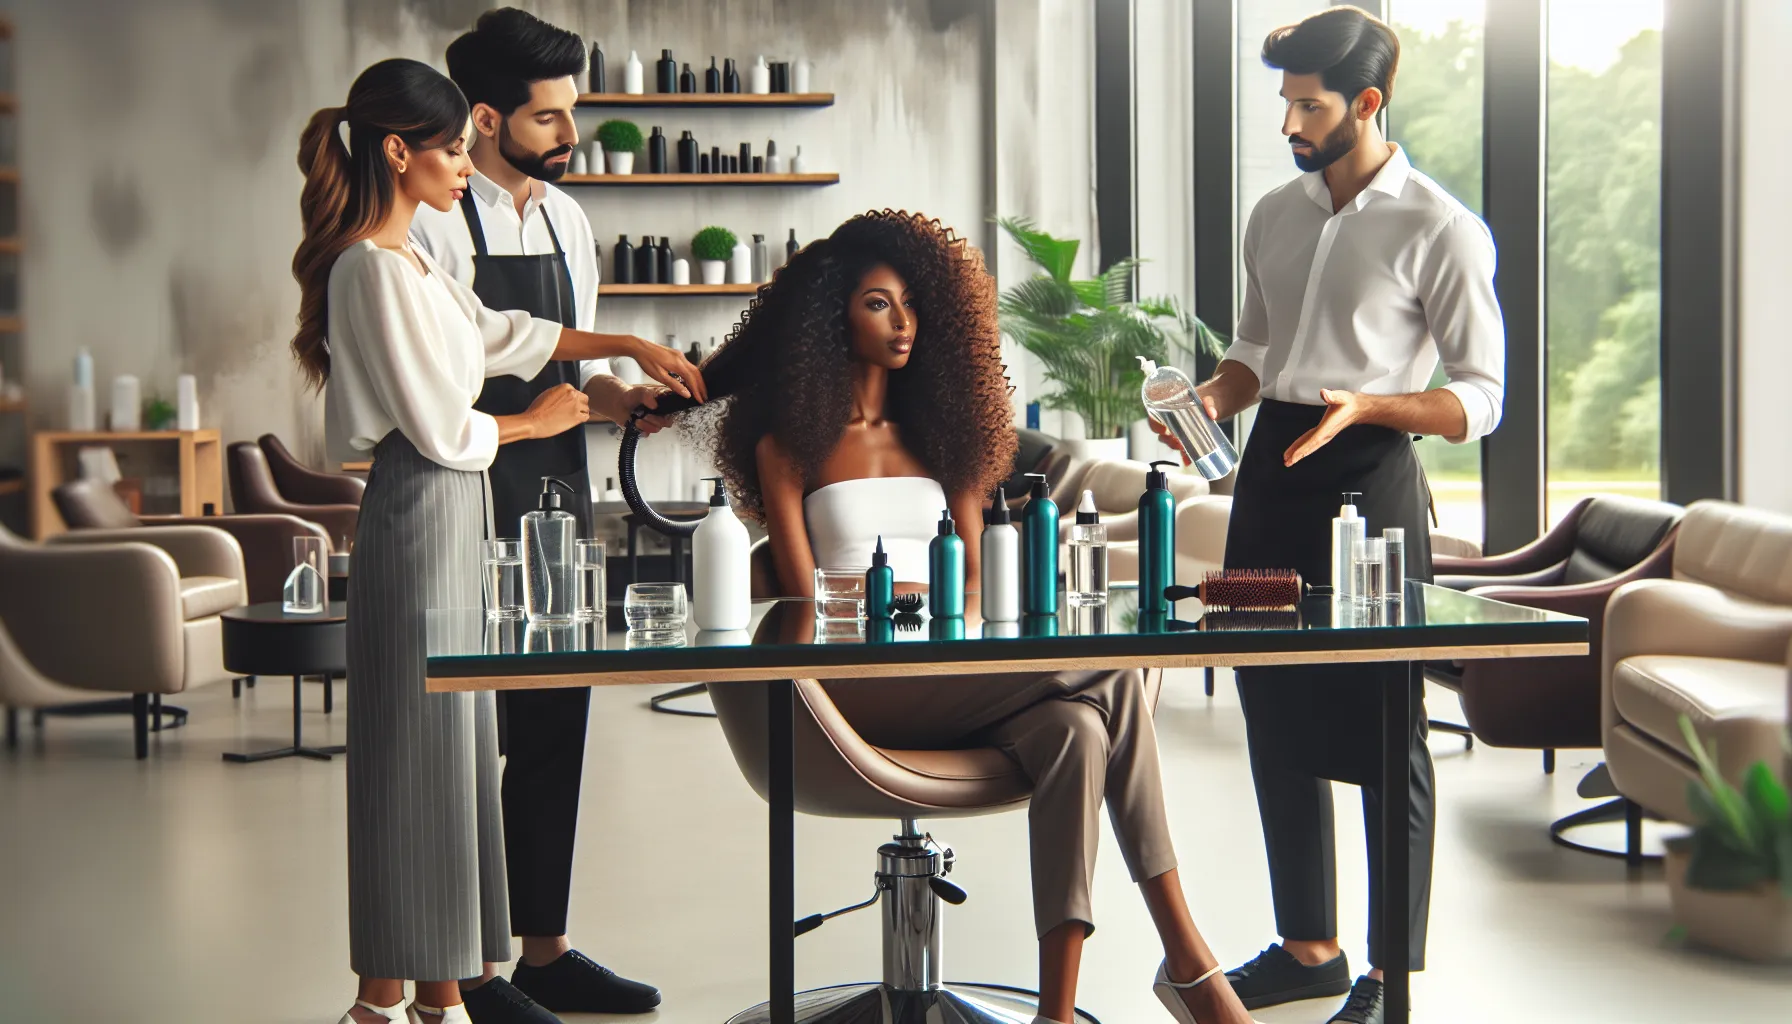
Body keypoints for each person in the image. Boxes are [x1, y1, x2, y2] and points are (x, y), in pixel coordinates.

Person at [682, 210, 1258, 1024]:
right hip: (850, 683)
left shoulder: (944, 440)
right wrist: (899, 604)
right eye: (878, 304)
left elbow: (982, 586)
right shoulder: (789, 448)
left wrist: (942, 614)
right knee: (1116, 666)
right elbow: (809, 601)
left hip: (957, 664)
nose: (903, 322)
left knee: (1077, 729)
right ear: (831, 320)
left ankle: (1057, 1013)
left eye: (913, 304)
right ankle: (1189, 959)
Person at [289, 58, 702, 1024]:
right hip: (421, 504)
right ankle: (393, 997)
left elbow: (505, 331)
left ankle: (446, 988)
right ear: (400, 153)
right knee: (417, 749)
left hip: (456, 506)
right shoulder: (368, 269)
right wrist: (536, 421)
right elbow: (439, 427)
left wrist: (624, 347)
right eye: (449, 150)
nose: (464, 165)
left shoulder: (414, 264)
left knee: (459, 748)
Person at [1154, 9, 1503, 1024]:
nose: (1289, 125)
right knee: (1271, 704)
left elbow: (1481, 396)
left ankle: (1388, 975)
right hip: (1271, 475)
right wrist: (1205, 399)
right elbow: (1254, 353)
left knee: (1385, 726)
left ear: (1367, 102)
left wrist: (1373, 406)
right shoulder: (1274, 214)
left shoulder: (1439, 225)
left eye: (1309, 106)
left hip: (1371, 478)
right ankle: (1308, 946)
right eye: (1285, 103)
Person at [409, 10, 663, 1018]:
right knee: (475, 729)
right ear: (484, 118)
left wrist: (620, 396)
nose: (570, 136)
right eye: (548, 117)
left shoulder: (567, 220)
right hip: (468, 487)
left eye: (572, 113)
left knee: (558, 716)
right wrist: (602, 365)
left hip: (558, 487)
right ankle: (471, 969)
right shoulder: (430, 220)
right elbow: (467, 354)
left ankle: (544, 951)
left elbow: (575, 368)